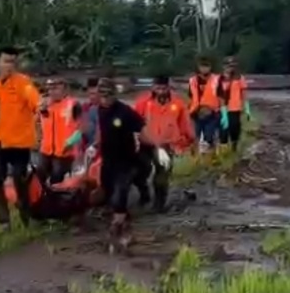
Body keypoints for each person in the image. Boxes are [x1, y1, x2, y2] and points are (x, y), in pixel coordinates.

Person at [94, 77, 161, 253]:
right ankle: (122, 219)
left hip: (126, 159)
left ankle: (120, 228)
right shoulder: (97, 111)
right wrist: (91, 147)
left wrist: (156, 148)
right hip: (107, 160)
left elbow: (142, 129)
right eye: (102, 94)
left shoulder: (125, 111)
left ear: (114, 94)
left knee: (120, 191)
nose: (105, 98)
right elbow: (95, 132)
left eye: (109, 95)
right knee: (107, 192)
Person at [0, 46, 41, 231]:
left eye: (12, 62)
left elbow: (32, 96)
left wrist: (40, 106)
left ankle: (27, 218)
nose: (9, 66)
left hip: (19, 144)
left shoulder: (22, 82)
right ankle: (4, 223)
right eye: (6, 61)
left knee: (20, 181)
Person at [136, 75, 196, 212]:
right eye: (158, 88)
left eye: (164, 88)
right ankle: (143, 194)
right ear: (153, 87)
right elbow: (133, 122)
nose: (161, 91)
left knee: (161, 175)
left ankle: (158, 205)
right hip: (146, 143)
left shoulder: (178, 103)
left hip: (167, 145)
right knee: (139, 172)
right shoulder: (143, 102)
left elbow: (185, 125)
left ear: (168, 87)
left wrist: (189, 141)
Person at [38, 78, 82, 184]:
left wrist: (70, 142)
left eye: (56, 88)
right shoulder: (44, 105)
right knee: (39, 177)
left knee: (57, 179)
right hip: (46, 150)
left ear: (65, 90)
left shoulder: (73, 105)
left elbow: (82, 129)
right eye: (50, 89)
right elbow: (39, 123)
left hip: (64, 152)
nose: (52, 92)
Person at [187, 56, 224, 157]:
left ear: (210, 67)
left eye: (207, 66)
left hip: (212, 113)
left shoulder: (217, 79)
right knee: (194, 137)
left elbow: (221, 97)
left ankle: (210, 157)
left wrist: (223, 113)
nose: (204, 69)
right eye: (202, 66)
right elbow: (191, 97)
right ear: (198, 67)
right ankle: (194, 159)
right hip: (196, 113)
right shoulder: (192, 81)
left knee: (209, 136)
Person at [219, 56, 251, 152]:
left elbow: (244, 94)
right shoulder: (220, 79)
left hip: (235, 109)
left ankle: (234, 148)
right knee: (223, 132)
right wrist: (223, 113)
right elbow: (219, 96)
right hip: (223, 110)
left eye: (232, 66)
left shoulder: (239, 78)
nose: (230, 68)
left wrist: (247, 109)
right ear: (224, 67)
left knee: (235, 130)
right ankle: (223, 152)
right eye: (228, 66)